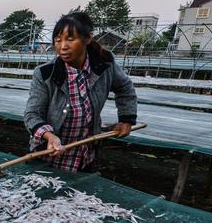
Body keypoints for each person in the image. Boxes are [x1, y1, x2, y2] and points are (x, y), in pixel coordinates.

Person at [24, 12, 137, 173]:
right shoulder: (45, 74)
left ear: (88, 38)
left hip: (85, 155)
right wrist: (49, 136)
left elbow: (125, 88)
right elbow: (32, 114)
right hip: (49, 157)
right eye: (58, 40)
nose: (63, 46)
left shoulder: (104, 63)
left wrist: (127, 119)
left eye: (70, 39)